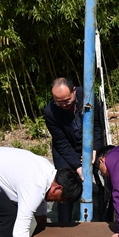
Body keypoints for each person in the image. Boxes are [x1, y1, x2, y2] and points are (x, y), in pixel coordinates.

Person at [43, 77, 104, 222]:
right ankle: (64, 223)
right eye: (59, 102)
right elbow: (61, 142)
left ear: (74, 91)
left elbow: (97, 125)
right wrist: (77, 166)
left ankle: (102, 218)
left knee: (104, 176)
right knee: (64, 183)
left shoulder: (87, 96)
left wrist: (95, 149)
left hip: (89, 144)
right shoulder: (50, 112)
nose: (64, 104)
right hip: (66, 148)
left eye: (67, 100)